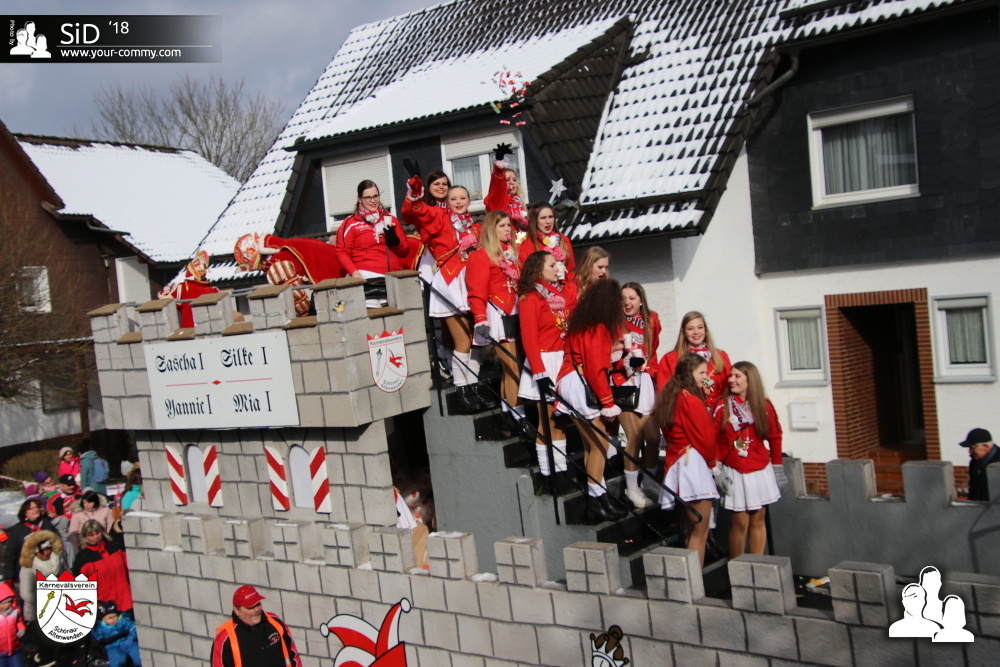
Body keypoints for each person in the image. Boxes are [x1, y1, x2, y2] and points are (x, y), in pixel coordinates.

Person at [402, 176, 489, 414]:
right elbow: (417, 211)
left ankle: (473, 385)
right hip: (451, 282)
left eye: (462, 198)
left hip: (473, 283)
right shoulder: (440, 217)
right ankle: (461, 388)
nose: (458, 202)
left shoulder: (475, 227)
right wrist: (416, 192)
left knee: (477, 341)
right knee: (463, 341)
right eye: (453, 199)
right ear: (447, 202)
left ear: (469, 201)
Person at [554, 279, 628, 523]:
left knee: (590, 446)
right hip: (581, 384)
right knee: (600, 445)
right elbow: (596, 370)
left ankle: (598, 498)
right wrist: (608, 402)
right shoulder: (598, 328)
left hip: (570, 380)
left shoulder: (582, 323)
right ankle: (596, 500)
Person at [654, 352, 721, 567]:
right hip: (692, 465)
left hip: (679, 462)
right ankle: (695, 580)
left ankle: (691, 578)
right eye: (701, 372)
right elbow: (705, 437)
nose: (705, 376)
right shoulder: (690, 399)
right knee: (699, 533)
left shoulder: (672, 395)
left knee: (691, 530)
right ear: (689, 373)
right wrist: (713, 464)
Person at [518, 251, 578, 478]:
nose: (557, 268)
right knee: (546, 421)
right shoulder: (530, 298)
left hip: (561, 360)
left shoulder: (557, 294)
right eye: (552, 265)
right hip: (544, 361)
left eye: (557, 264)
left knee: (560, 420)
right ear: (538, 269)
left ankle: (561, 470)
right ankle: (547, 473)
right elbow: (529, 339)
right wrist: (539, 373)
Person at [714, 361, 784, 558]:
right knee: (740, 524)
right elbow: (714, 439)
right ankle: (737, 567)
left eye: (737, 376)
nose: (731, 380)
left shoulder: (764, 405)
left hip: (760, 468)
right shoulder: (722, 405)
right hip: (734, 469)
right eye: (731, 376)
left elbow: (775, 436)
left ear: (750, 379)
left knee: (758, 521)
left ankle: (757, 565)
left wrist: (778, 467)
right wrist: (716, 469)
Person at [467, 210, 525, 432]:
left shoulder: (512, 253)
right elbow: (476, 292)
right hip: (498, 313)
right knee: (513, 368)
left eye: (509, 225)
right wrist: (480, 318)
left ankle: (507, 413)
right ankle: (519, 417)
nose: (507, 229)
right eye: (502, 225)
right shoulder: (480, 256)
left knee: (511, 369)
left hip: (516, 311)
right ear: (492, 229)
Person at [614, 282, 662, 509]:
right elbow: (608, 354)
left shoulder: (652, 320)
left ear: (641, 300)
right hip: (623, 382)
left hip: (645, 381)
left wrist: (649, 369)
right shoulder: (614, 322)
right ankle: (632, 488)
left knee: (653, 438)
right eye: (623, 298)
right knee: (634, 435)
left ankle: (649, 483)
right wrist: (624, 362)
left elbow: (653, 351)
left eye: (632, 298)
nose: (627, 302)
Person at [234, 232, 344, 317]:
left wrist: (305, 318)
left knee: (326, 314)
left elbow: (299, 300)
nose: (261, 270)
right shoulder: (288, 246)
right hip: (343, 273)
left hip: (337, 286)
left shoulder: (277, 264)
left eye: (257, 267)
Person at [332, 180, 408, 280]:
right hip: (366, 275)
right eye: (368, 197)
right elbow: (342, 252)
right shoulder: (351, 222)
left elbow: (404, 252)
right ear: (359, 199)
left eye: (375, 196)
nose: (373, 201)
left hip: (393, 275)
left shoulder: (391, 219)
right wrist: (354, 272)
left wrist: (396, 243)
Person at [212, 585, 303, 667]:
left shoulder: (275, 622)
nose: (257, 609)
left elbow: (293, 656)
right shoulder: (225, 638)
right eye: (250, 607)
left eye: (258, 604)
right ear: (236, 611)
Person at [658, 311, 732, 407]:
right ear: (684, 332)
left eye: (700, 327)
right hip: (687, 410)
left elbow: (728, 390)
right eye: (690, 329)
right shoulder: (671, 358)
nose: (696, 332)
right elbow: (664, 393)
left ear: (705, 330)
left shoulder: (721, 357)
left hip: (717, 411)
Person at [18, 532, 67, 667]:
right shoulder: (28, 568)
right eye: (42, 551)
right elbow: (25, 593)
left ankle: (42, 658)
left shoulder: (58, 560)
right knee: (47, 644)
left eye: (48, 549)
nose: (46, 553)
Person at [72, 520, 132, 619]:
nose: (96, 537)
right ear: (85, 537)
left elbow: (130, 569)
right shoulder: (82, 558)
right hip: (105, 608)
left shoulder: (115, 546)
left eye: (97, 533)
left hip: (126, 600)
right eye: (91, 535)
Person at [158, 249, 219, 329]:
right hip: (211, 329)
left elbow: (163, 299)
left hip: (188, 330)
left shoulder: (183, 288)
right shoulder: (213, 290)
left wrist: (167, 290)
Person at [2, 499, 56, 588]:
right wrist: (9, 576)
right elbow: (10, 554)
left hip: (48, 570)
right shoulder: (17, 530)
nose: (35, 510)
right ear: (25, 513)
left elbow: (57, 543)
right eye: (31, 508)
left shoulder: (46, 524)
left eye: (36, 507)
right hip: (27, 571)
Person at [518, 203, 575, 282]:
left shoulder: (563, 239)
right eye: (543, 218)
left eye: (550, 217)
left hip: (565, 285)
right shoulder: (527, 246)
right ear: (535, 221)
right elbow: (527, 276)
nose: (548, 221)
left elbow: (570, 270)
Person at [484, 143, 529, 232]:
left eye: (514, 180)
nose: (512, 182)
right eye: (507, 180)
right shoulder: (500, 202)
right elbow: (497, 184)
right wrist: (499, 161)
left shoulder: (519, 204)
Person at [92, 602, 142, 667]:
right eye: (110, 618)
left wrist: (130, 638)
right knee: (116, 660)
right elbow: (99, 638)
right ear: (103, 619)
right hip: (112, 646)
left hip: (127, 642)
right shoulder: (100, 628)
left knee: (137, 653)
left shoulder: (122, 621)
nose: (113, 619)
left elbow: (133, 626)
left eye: (115, 616)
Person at [960, 427, 998, 501]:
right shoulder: (974, 461)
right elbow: (973, 487)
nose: (970, 451)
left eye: (972, 448)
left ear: (985, 446)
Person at [0, 583, 24, 667]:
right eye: (4, 603)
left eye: (9, 601)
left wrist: (21, 628)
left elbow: (19, 621)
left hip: (15, 648)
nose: (7, 604)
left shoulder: (15, 611)